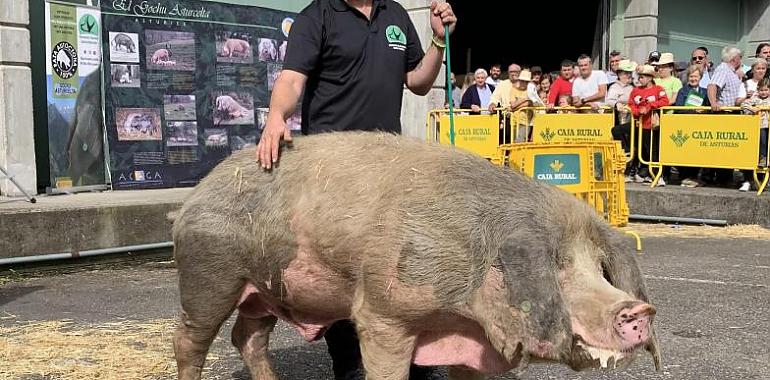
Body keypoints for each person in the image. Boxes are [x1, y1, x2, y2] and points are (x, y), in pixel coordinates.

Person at [255, 1, 456, 379]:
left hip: (387, 168)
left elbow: (418, 81)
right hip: (333, 170)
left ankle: (409, 359)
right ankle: (350, 364)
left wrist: (439, 43)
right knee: (342, 268)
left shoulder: (394, 14)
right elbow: (292, 78)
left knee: (397, 266)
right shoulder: (318, 15)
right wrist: (276, 116)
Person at [629, 65, 669, 185]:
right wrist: (637, 111)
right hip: (639, 125)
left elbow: (665, 102)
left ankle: (658, 176)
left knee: (654, 151)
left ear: (650, 77)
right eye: (639, 77)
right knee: (644, 151)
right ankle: (645, 173)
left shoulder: (658, 89)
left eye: (642, 77)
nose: (640, 79)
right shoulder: (635, 90)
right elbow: (631, 105)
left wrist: (649, 106)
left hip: (652, 126)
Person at [674, 64, 711, 188]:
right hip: (685, 127)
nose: (693, 79)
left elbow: (709, 109)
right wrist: (695, 111)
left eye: (695, 76)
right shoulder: (683, 91)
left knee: (698, 154)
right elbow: (678, 109)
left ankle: (696, 177)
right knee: (686, 154)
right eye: (691, 76)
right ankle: (686, 177)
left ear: (700, 77)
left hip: (700, 128)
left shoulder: (705, 92)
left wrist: (704, 111)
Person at [605, 59, 637, 181]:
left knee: (635, 142)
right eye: (625, 73)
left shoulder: (633, 87)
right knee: (618, 134)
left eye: (629, 73)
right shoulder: (614, 87)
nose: (628, 75)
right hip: (620, 119)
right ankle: (624, 169)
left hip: (633, 118)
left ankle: (631, 170)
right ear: (619, 74)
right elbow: (609, 101)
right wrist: (617, 104)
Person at [739, 78, 770, 191]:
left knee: (766, 143)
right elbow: (744, 105)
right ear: (758, 90)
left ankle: (765, 162)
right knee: (761, 141)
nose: (764, 93)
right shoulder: (755, 99)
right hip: (758, 126)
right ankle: (762, 158)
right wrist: (752, 109)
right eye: (762, 90)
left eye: (766, 90)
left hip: (769, 127)